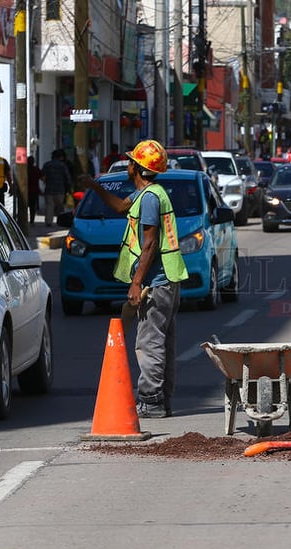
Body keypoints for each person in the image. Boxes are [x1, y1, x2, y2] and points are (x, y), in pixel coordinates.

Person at [78, 139, 189, 418]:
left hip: (157, 281)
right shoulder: (147, 195)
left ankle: (151, 401)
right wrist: (95, 186)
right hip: (167, 280)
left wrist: (137, 282)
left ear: (136, 167)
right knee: (163, 341)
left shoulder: (150, 198)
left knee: (149, 342)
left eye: (131, 161)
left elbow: (150, 243)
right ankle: (162, 400)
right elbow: (119, 207)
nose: (128, 165)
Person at [41, 149, 72, 226]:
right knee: (60, 207)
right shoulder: (63, 165)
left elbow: (42, 177)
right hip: (60, 190)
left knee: (49, 206)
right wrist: (69, 187)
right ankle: (60, 221)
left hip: (49, 189)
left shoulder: (47, 165)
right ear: (60, 157)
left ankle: (48, 221)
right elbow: (67, 177)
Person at [27, 155, 43, 224]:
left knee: (24, 206)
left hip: (26, 190)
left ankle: (24, 219)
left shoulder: (25, 169)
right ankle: (32, 220)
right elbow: (42, 178)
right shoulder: (36, 169)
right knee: (32, 207)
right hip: (34, 190)